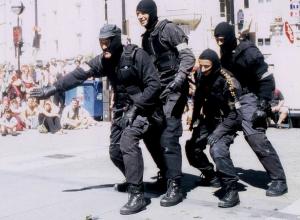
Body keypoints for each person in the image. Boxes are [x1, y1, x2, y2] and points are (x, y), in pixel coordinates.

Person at [30, 24, 163, 215]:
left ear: (116, 40)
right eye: (101, 43)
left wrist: (136, 108)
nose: (104, 47)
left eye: (107, 42)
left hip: (144, 108)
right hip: (122, 110)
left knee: (128, 143)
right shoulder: (103, 61)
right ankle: (133, 179)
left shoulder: (137, 55)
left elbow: (154, 85)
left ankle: (137, 194)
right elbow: (78, 75)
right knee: (115, 151)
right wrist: (51, 89)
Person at [214, 22, 287, 196]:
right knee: (215, 138)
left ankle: (279, 180)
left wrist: (263, 105)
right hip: (233, 102)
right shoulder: (225, 55)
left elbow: (267, 78)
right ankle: (222, 176)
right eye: (216, 39)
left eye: (222, 39)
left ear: (230, 37)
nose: (219, 43)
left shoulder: (247, 51)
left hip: (251, 99)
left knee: (255, 138)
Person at [136, 0, 196, 207]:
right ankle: (166, 174)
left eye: (144, 12)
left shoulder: (169, 29)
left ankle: (175, 186)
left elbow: (188, 57)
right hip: (157, 92)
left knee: (169, 136)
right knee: (150, 133)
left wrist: (179, 79)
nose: (141, 16)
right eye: (138, 13)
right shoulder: (145, 38)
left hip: (174, 90)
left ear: (152, 13)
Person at [187, 49, 242, 207]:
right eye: (201, 66)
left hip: (226, 121)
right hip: (208, 119)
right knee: (192, 148)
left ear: (215, 65)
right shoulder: (199, 75)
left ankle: (231, 190)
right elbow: (198, 98)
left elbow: (236, 115)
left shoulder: (229, 81)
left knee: (217, 150)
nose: (203, 70)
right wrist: (195, 119)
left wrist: (218, 133)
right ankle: (212, 177)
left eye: (207, 67)